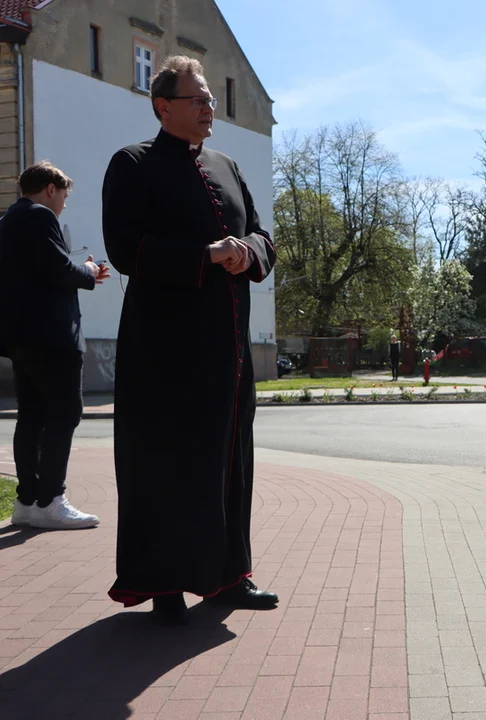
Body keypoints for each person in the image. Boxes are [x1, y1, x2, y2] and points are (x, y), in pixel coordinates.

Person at [101, 55, 277, 625]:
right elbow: (127, 248)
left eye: (210, 99)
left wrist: (248, 251)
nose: (210, 108)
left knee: (231, 460)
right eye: (198, 99)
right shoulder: (132, 164)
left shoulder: (226, 164)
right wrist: (204, 256)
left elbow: (261, 232)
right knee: (169, 464)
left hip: (227, 351)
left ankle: (230, 575)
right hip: (165, 351)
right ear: (163, 106)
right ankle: (166, 585)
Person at [0, 162, 110, 530]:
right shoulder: (39, 217)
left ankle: (28, 501)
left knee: (31, 417)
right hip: (53, 337)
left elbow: (44, 269)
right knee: (64, 415)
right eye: (64, 194)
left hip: (22, 338)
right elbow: (60, 271)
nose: (64, 202)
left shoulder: (10, 219)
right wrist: (91, 273)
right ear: (50, 189)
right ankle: (51, 499)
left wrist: (76, 269)